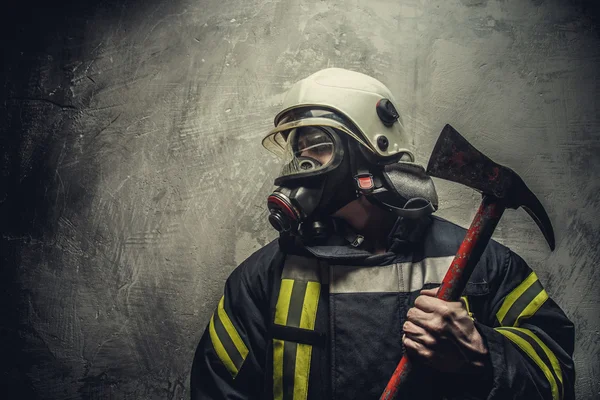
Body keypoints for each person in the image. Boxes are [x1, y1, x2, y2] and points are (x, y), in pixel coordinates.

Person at [190, 68, 575, 399]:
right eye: (298, 151)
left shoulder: (479, 262)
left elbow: (556, 373)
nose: (303, 165)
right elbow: (217, 388)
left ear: (371, 150)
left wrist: (481, 352)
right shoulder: (262, 278)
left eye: (320, 147)